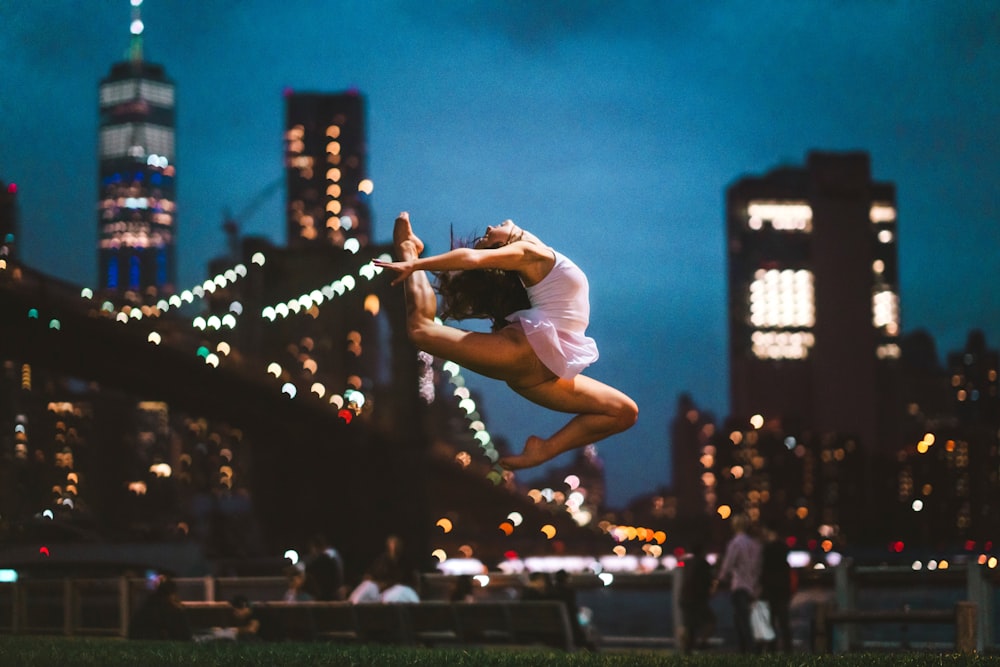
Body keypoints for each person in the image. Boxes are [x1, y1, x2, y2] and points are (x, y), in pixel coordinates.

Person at [374, 212, 638, 470]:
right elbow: (471, 258)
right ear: (505, 246)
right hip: (525, 353)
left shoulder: (540, 254)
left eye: (493, 229)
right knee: (420, 330)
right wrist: (416, 264)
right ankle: (409, 249)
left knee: (625, 412)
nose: (490, 227)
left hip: (545, 372)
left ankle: (543, 451)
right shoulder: (530, 254)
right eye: (490, 240)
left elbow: (476, 258)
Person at [713, 513, 762, 653]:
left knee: (741, 621)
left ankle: (747, 651)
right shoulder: (754, 543)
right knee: (749, 620)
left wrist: (719, 580)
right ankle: (752, 649)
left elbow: (728, 564)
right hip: (753, 587)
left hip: (739, 585)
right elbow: (759, 566)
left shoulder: (735, 543)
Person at [760, 522, 793, 652]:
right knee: (784, 622)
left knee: (771, 622)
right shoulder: (783, 548)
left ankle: (772, 650)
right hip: (783, 589)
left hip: (770, 589)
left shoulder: (767, 549)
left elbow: (763, 570)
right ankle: (787, 650)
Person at [127, 575, 192, 641]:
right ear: (172, 594)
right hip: (155, 644)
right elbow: (183, 635)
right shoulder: (171, 610)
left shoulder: (148, 605)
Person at [678, 542, 715, 654]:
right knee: (710, 620)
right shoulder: (704, 564)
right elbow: (708, 581)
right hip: (697, 598)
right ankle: (702, 643)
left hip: (684, 598)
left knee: (688, 625)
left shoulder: (687, 563)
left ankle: (686, 648)